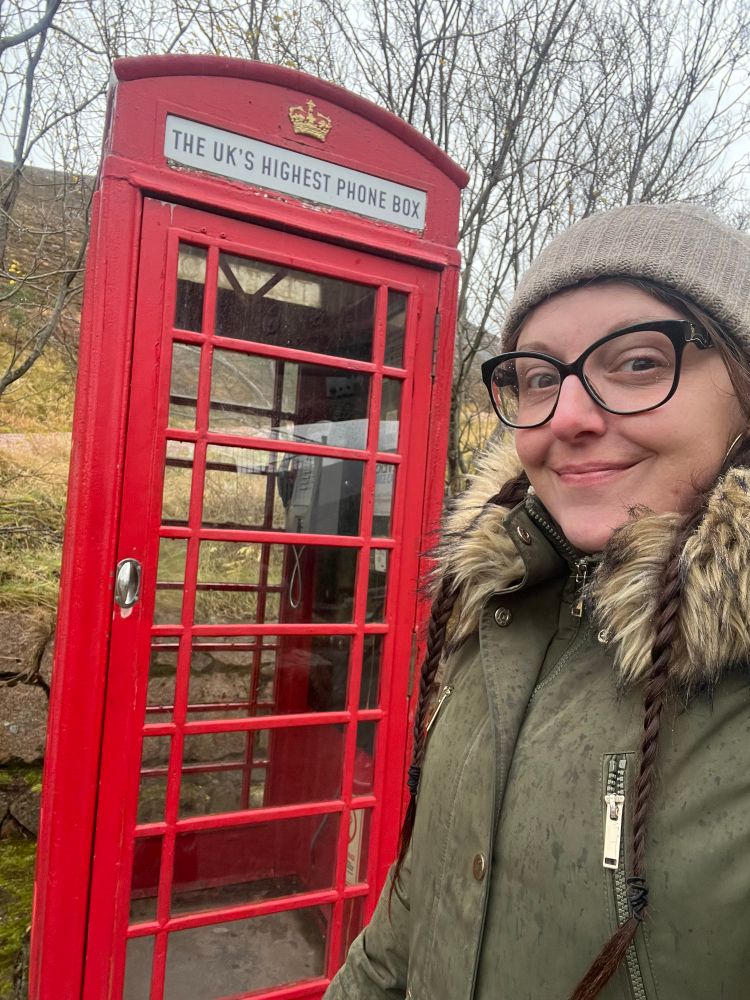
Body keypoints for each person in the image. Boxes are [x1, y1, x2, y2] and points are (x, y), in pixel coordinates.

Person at [323, 202, 750, 1000]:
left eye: (638, 363)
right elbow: (407, 923)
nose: (569, 417)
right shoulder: (493, 611)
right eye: (540, 378)